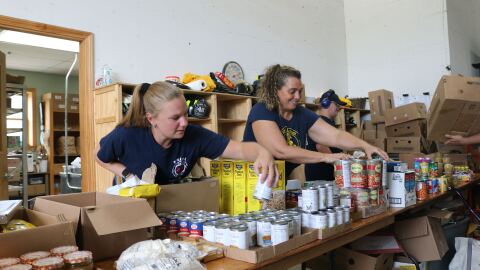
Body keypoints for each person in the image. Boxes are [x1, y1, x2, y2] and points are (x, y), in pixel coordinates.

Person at [96, 81, 277, 186]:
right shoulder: (127, 135)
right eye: (175, 118)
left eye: (185, 114)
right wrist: (127, 174)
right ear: (152, 119)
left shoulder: (194, 135)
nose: (184, 123)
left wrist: (263, 152)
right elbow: (98, 155)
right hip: (130, 206)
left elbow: (240, 150)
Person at [243, 64, 389, 178]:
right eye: (292, 91)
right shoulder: (261, 110)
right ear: (275, 91)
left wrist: (365, 146)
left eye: (300, 91)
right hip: (251, 182)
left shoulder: (302, 114)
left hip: (278, 183)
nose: (298, 96)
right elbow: (281, 151)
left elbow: (335, 136)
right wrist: (326, 157)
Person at [304, 90, 346, 180]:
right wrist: (340, 166)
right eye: (337, 105)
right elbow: (321, 146)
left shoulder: (321, 121)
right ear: (327, 103)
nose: (338, 108)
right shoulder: (322, 123)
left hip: (320, 173)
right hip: (322, 175)